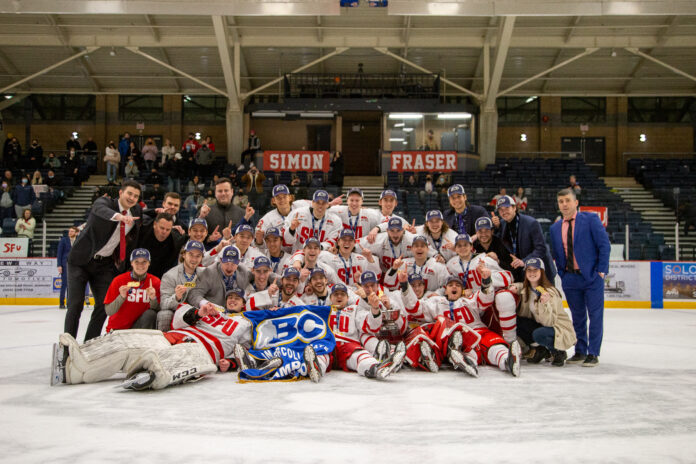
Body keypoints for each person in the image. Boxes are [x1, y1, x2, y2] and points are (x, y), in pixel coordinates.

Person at [64, 180, 143, 342]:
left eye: (136, 196)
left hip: (104, 265)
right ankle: (67, 347)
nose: (132, 198)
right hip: (81, 260)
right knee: (76, 305)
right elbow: (99, 209)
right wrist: (119, 216)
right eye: (129, 193)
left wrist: (159, 212)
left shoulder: (135, 211)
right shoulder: (104, 202)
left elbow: (146, 215)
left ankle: (89, 344)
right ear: (121, 193)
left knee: (103, 305)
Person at [549, 188, 610, 367]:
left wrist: (601, 271)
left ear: (576, 203)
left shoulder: (590, 220)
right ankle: (581, 350)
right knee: (577, 317)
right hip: (570, 278)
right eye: (561, 201)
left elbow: (604, 246)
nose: (564, 204)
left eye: (568, 200)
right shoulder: (555, 228)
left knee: (595, 315)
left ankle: (593, 353)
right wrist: (563, 274)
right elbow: (557, 253)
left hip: (591, 277)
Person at [509, 257, 576, 367]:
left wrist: (544, 304)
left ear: (542, 272)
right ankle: (541, 350)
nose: (532, 273)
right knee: (517, 321)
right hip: (542, 325)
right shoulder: (527, 288)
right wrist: (514, 287)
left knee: (539, 334)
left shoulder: (550, 292)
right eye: (529, 270)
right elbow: (522, 286)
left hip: (557, 328)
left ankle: (558, 352)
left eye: (535, 270)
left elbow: (549, 322)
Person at [492, 195, 556, 283]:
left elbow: (541, 248)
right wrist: (496, 228)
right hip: (522, 273)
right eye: (501, 210)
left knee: (544, 296)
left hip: (540, 272)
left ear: (514, 208)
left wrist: (524, 261)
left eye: (507, 208)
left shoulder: (531, 223)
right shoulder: (502, 224)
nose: (504, 212)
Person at [104, 248, 161, 332]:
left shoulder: (155, 282)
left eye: (144, 262)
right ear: (131, 263)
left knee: (150, 314)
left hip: (139, 328)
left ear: (149, 263)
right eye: (136, 262)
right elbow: (109, 311)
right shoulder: (119, 280)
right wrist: (121, 297)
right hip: (118, 329)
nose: (140, 265)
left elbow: (158, 310)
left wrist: (153, 299)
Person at [159, 240, 206, 330]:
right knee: (164, 314)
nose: (194, 259)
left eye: (198, 256)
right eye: (191, 254)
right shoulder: (170, 275)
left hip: (198, 313)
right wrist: (176, 297)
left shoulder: (205, 274)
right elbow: (163, 304)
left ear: (201, 258)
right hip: (178, 314)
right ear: (184, 255)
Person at [188, 245, 252, 308]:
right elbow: (194, 294)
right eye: (227, 263)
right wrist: (205, 304)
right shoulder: (209, 273)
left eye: (233, 264)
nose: (229, 268)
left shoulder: (244, 271)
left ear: (238, 262)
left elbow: (258, 280)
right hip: (213, 312)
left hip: (235, 313)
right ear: (220, 260)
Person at [136, 213, 185, 279]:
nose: (164, 232)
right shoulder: (141, 231)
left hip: (160, 276)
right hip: (137, 271)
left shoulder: (176, 239)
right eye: (162, 228)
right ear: (155, 224)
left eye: (168, 229)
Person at [57, 227, 79, 309]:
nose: (70, 232)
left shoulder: (79, 240)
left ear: (76, 233)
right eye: (69, 231)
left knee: (72, 285)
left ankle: (70, 303)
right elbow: (59, 253)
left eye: (72, 231)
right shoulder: (64, 240)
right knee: (64, 284)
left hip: (76, 264)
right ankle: (61, 303)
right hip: (65, 264)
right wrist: (59, 265)